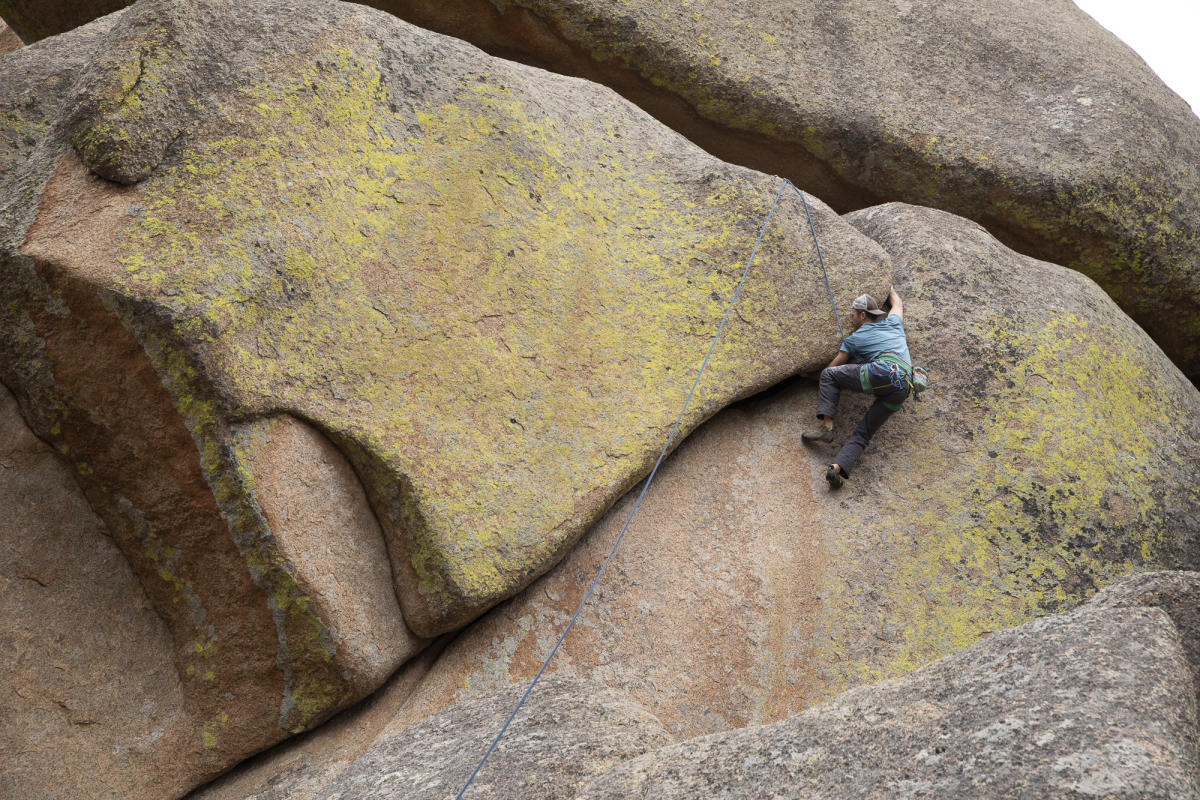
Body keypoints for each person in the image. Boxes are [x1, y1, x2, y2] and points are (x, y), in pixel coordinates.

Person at [801, 287, 911, 489]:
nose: (850, 318)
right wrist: (889, 287)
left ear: (862, 315)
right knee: (864, 432)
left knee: (828, 376)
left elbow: (831, 370)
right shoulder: (893, 323)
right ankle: (837, 468)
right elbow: (898, 303)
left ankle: (827, 428)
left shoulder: (853, 339)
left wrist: (807, 376)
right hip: (903, 386)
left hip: (882, 371)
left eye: (852, 314)